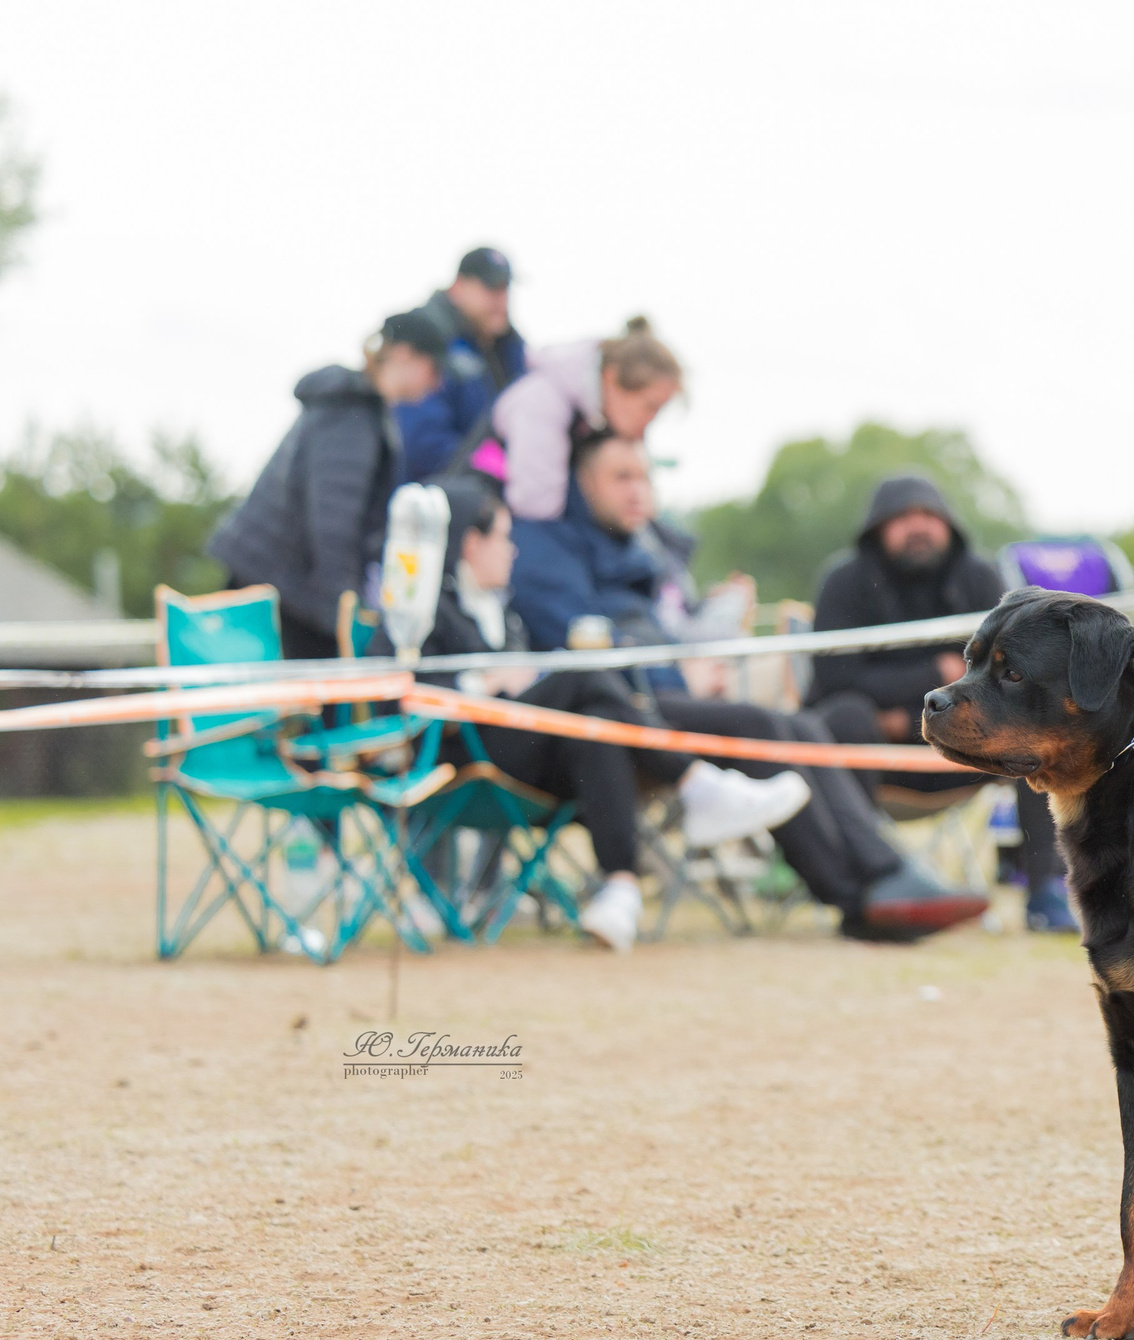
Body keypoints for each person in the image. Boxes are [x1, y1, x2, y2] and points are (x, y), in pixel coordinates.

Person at [511, 434, 985, 938]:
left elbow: (659, 632)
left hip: (651, 701)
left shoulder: (644, 552)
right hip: (597, 716)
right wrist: (678, 673)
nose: (638, 491)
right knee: (762, 727)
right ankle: (866, 888)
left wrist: (711, 621)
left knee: (796, 726)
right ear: (582, 484)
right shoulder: (552, 553)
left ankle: (876, 887)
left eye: (645, 477)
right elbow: (584, 646)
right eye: (621, 477)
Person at [379, 474, 811, 952]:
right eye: (503, 538)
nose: (513, 551)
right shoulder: (419, 612)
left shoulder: (505, 612)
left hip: (521, 752)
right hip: (460, 757)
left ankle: (621, 889)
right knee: (583, 676)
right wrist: (486, 681)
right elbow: (396, 694)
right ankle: (698, 786)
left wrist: (517, 680)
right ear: (470, 544)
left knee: (595, 729)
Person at [806, 475, 1071, 931]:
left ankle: (1047, 891)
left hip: (972, 747)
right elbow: (833, 678)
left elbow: (1013, 673)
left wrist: (904, 713)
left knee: (1039, 728)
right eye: (904, 517)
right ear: (877, 528)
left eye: (930, 516)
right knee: (844, 716)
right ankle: (873, 887)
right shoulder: (844, 581)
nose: (919, 527)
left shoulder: (979, 577)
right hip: (874, 755)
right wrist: (936, 673)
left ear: (949, 525)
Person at [208, 310, 446, 658]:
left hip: (285, 588)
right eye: (434, 368)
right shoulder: (352, 413)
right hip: (283, 598)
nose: (438, 382)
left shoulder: (355, 407)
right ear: (404, 354)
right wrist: (343, 621)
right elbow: (333, 524)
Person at [489, 315, 684, 522]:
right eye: (650, 407)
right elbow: (535, 512)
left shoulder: (594, 414)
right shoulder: (542, 403)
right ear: (611, 377)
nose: (650, 420)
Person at [395, 246, 526, 484]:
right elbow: (421, 443)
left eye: (506, 288)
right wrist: (494, 467)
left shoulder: (512, 348)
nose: (501, 300)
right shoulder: (426, 342)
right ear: (458, 287)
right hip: (440, 496)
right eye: (491, 288)